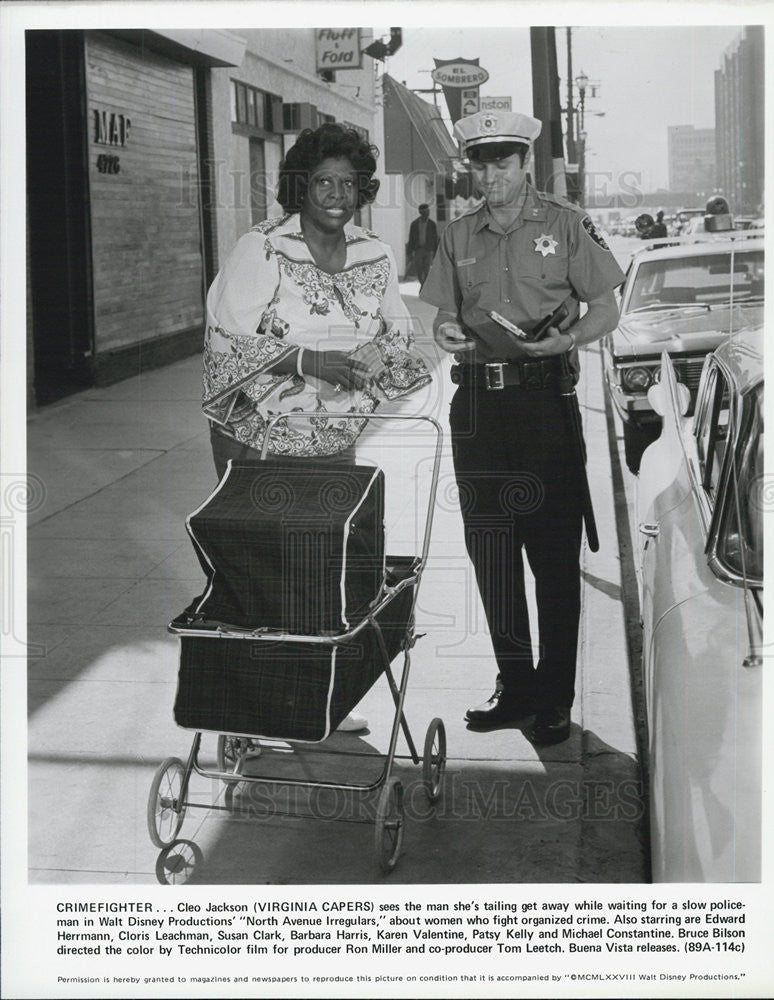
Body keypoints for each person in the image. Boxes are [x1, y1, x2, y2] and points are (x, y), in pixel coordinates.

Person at [201, 123, 431, 731]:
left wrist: (375, 361)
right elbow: (228, 338)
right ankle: (246, 715)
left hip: (334, 434)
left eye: (348, 184)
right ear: (300, 186)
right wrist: (310, 361)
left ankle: (313, 695)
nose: (336, 194)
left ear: (362, 192)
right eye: (323, 182)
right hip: (259, 438)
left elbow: (398, 332)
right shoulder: (264, 248)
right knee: (262, 570)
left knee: (322, 564)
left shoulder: (375, 254)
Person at [420, 110, 624, 745]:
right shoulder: (456, 236)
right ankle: (516, 685)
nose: (492, 175)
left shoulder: (565, 225)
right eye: (480, 164)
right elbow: (442, 319)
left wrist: (564, 339)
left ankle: (555, 693)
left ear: (524, 163)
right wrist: (447, 332)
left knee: (553, 556)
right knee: (493, 552)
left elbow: (607, 309)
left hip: (544, 407)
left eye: (503, 163)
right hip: (479, 410)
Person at [406, 203, 439, 286]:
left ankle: (425, 287)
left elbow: (435, 238)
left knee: (427, 270)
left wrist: (437, 252)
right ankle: (423, 284)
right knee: (419, 270)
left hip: (429, 250)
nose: (427, 213)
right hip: (418, 249)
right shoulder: (414, 224)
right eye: (425, 212)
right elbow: (411, 238)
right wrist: (409, 252)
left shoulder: (432, 224)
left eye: (428, 211)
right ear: (421, 212)